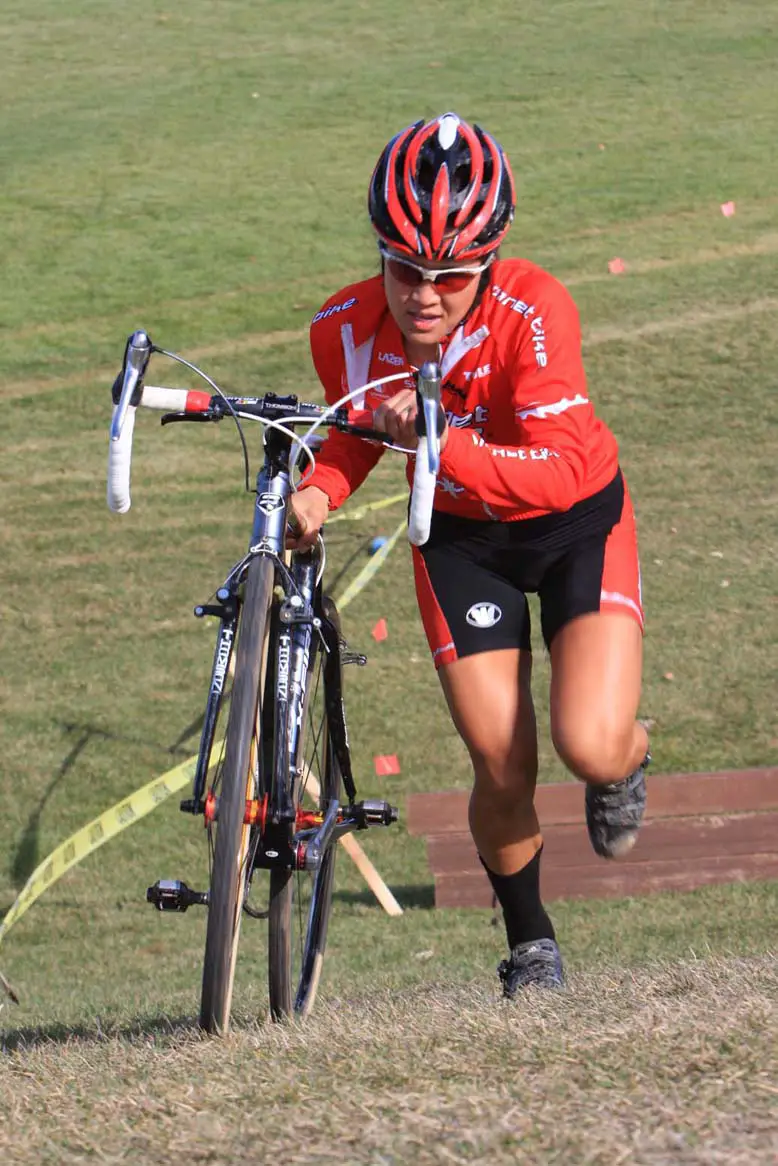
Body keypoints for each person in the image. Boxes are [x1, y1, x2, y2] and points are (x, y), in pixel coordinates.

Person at [288, 112, 650, 996]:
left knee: (587, 744)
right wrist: (318, 489)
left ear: (487, 262)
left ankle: (628, 760)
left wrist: (444, 444)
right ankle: (530, 943)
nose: (424, 294)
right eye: (404, 268)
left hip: (574, 526)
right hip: (457, 540)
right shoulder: (341, 325)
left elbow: (561, 471)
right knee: (499, 759)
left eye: (450, 276)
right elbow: (357, 433)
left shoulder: (535, 310)